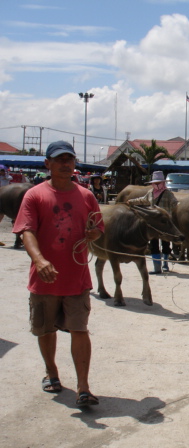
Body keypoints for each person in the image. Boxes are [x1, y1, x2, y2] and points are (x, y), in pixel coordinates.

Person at [12, 140, 104, 407]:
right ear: (47, 164)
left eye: (70, 159)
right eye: (60, 159)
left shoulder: (86, 195)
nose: (65, 164)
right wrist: (39, 260)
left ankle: (83, 387)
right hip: (45, 277)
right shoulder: (34, 195)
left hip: (77, 277)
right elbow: (26, 230)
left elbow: (98, 227)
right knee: (46, 329)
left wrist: (94, 233)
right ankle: (51, 373)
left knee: (80, 329)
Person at [127, 170, 178, 274]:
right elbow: (142, 200)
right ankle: (157, 267)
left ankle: (165, 264)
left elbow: (175, 203)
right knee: (154, 244)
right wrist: (131, 202)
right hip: (153, 225)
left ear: (163, 183)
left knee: (166, 244)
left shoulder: (168, 193)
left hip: (164, 224)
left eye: (159, 183)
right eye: (155, 183)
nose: (157, 185)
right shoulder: (150, 193)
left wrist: (179, 206)